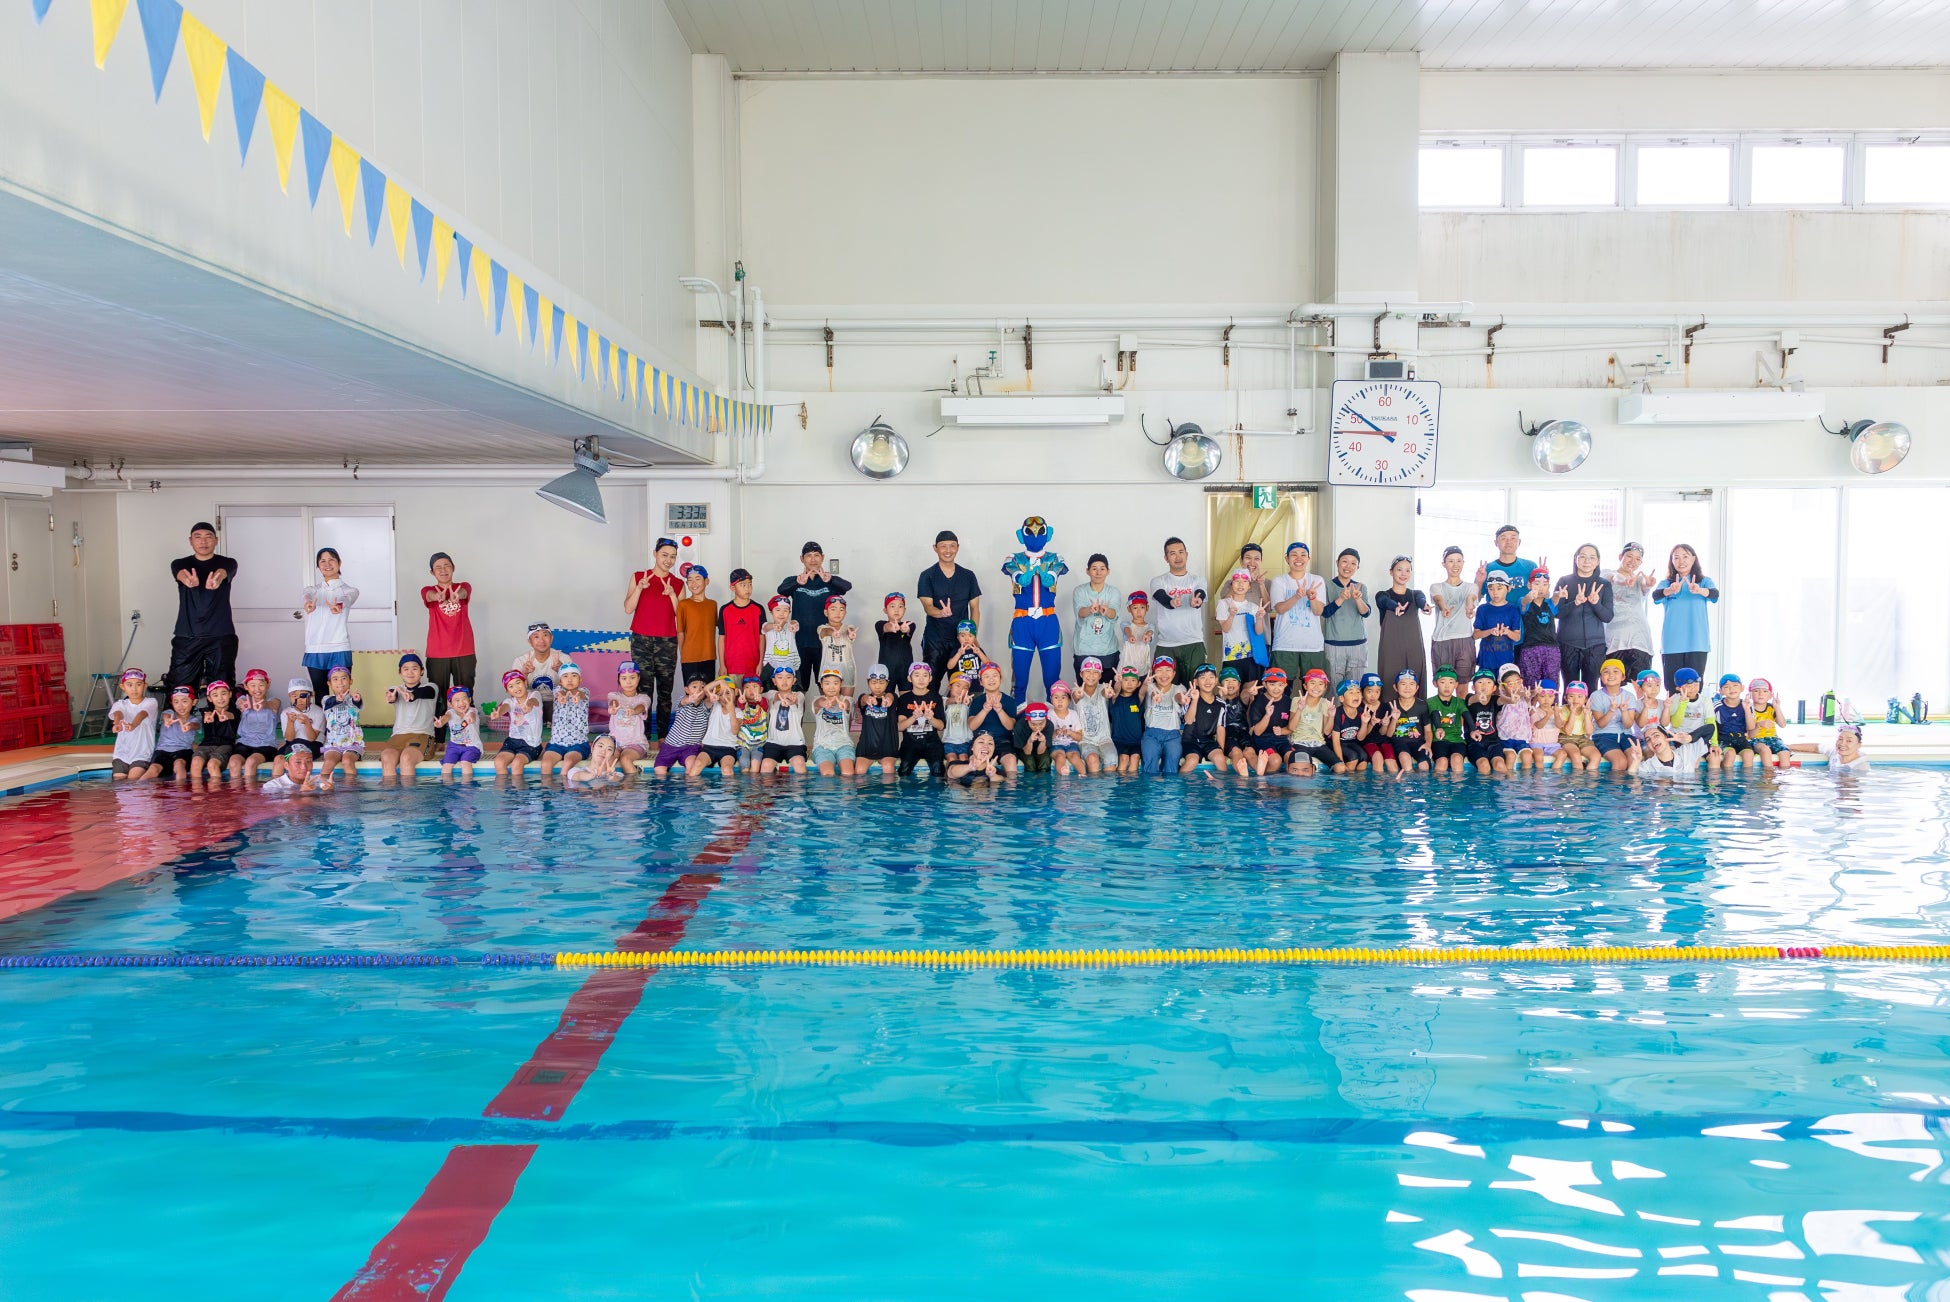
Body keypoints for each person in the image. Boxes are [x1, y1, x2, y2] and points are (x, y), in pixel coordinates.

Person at [166, 522, 239, 693]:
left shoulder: (228, 562)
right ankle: (180, 720)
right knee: (180, 687)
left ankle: (221, 720)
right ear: (190, 541)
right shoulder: (180, 563)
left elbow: (223, 572)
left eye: (208, 537)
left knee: (222, 687)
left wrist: (217, 579)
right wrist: (188, 580)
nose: (203, 541)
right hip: (187, 635)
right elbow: (181, 574)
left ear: (216, 540)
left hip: (221, 635)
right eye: (198, 537)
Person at [1001, 515, 1068, 698]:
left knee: (1053, 680)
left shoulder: (1055, 558)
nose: (1036, 534)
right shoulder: (1013, 558)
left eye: (1041, 531)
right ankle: (1017, 721)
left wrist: (1042, 571)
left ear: (1049, 533)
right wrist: (1031, 571)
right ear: (1021, 536)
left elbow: (1051, 578)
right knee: (1019, 680)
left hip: (1048, 622)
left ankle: (1055, 720)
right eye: (1030, 531)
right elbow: (1018, 577)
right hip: (1023, 622)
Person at [625, 538, 683, 738]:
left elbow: (681, 616)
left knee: (665, 691)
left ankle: (663, 737)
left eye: (673, 557)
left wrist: (672, 595)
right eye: (664, 555)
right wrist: (640, 588)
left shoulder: (678, 583)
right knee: (644, 690)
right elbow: (628, 608)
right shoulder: (639, 577)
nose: (668, 560)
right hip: (641, 640)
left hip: (666, 641)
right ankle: (644, 736)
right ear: (655, 554)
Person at [778, 541, 852, 684]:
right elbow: (781, 591)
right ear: (802, 559)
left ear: (822, 558)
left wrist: (830, 579)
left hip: (825, 644)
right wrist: (798, 583)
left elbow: (846, 586)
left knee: (826, 686)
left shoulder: (828, 581)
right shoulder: (794, 581)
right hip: (800, 643)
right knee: (799, 687)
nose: (813, 559)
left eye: (816, 555)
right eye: (809, 556)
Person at [1653, 543, 1719, 690]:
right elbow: (1655, 596)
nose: (1681, 561)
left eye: (1685, 556)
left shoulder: (1704, 581)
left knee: (1695, 688)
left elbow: (1715, 595)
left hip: (1697, 642)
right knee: (1673, 688)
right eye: (1676, 557)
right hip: (1672, 644)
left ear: (1693, 559)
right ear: (1672, 561)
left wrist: (1700, 590)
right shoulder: (1667, 583)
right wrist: (1669, 591)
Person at [421, 553, 475, 726]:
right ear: (432, 572)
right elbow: (429, 595)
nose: (443, 570)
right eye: (438, 567)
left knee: (465, 694)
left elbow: (464, 592)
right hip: (438, 653)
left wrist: (456, 595)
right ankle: (437, 737)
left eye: (447, 566)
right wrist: (437, 597)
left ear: (453, 568)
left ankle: (468, 734)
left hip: (464, 650)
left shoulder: (463, 586)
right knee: (438, 696)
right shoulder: (427, 590)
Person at [918, 530, 981, 679]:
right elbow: (928, 607)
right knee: (931, 682)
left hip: (961, 640)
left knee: (963, 684)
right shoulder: (927, 575)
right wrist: (941, 613)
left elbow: (975, 608)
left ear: (957, 548)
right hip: (935, 639)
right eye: (943, 546)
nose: (948, 551)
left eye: (952, 546)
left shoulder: (968, 576)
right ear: (935, 548)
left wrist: (972, 636)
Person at [1553, 545, 1615, 688]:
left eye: (1592, 557)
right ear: (1576, 559)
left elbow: (1608, 617)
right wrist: (1575, 602)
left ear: (1598, 561)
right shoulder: (1564, 581)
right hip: (1567, 643)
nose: (1587, 561)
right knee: (1570, 688)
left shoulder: (1604, 584)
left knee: (1592, 688)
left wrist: (1596, 603)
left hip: (1595, 646)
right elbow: (1556, 612)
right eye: (1583, 556)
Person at [301, 547, 359, 699]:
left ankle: (346, 723)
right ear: (318, 566)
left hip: (339, 647)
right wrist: (308, 603)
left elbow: (348, 599)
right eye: (322, 561)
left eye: (331, 560)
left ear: (339, 563)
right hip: (315, 649)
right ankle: (324, 724)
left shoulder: (350, 590)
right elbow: (306, 595)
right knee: (321, 694)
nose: (327, 564)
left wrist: (339, 605)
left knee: (342, 693)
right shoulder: (313, 590)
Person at [1149, 538, 1208, 681]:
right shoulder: (1158, 581)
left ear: (1186, 554)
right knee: (1164, 691)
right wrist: (1171, 601)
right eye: (1172, 553)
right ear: (1166, 558)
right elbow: (1161, 596)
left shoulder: (1197, 579)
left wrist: (1197, 601)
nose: (1178, 557)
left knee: (1195, 689)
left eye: (1181, 552)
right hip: (1167, 645)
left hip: (1194, 643)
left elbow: (1200, 593)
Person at [1268, 542, 1328, 682]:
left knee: (1314, 689)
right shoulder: (1279, 580)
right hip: (1284, 644)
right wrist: (1297, 596)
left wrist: (1312, 597)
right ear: (1286, 558)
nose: (1298, 558)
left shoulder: (1317, 580)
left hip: (1313, 645)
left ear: (1308, 558)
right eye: (1294, 555)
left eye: (1303, 555)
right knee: (1279, 688)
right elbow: (1280, 608)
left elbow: (1318, 611)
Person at [1603, 543, 1658, 683]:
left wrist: (1649, 584)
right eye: (1629, 556)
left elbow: (1645, 587)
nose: (1633, 561)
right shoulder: (1607, 573)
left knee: (1640, 690)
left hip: (1640, 642)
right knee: (1614, 689)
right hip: (1614, 643)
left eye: (1638, 559)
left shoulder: (1641, 580)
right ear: (1620, 556)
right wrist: (1625, 580)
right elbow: (1615, 579)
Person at [1374, 556, 1430, 689]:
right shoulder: (1382, 595)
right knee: (1389, 680)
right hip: (1391, 650)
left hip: (1414, 649)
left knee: (1415, 682)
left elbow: (1421, 599)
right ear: (1391, 572)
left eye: (1407, 570)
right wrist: (1395, 607)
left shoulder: (1416, 594)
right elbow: (1383, 601)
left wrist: (1424, 606)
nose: (1403, 574)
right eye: (1399, 570)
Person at [381, 653, 438, 778]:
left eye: (415, 668)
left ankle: (408, 797)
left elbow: (423, 692)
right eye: (406, 669)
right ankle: (389, 796)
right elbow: (392, 695)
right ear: (400, 672)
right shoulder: (396, 689)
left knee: (407, 757)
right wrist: (391, 697)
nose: (410, 672)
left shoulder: (431, 687)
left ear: (422, 671)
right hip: (398, 736)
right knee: (387, 757)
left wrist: (411, 695)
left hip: (422, 735)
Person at [1321, 549, 1371, 686]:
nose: (1348, 566)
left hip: (1358, 645)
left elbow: (1366, 613)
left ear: (1357, 567)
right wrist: (1342, 598)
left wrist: (1357, 599)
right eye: (1344, 561)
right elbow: (1324, 612)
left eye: (1353, 563)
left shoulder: (1361, 587)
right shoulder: (1327, 586)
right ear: (1337, 563)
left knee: (1355, 689)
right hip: (1334, 645)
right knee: (1333, 689)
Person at [1070, 555, 1123, 684]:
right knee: (1084, 692)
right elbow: (1079, 612)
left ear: (1108, 571)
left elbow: (1114, 614)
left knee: (1108, 692)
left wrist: (1106, 611)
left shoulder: (1113, 592)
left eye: (1102, 569)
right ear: (1087, 571)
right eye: (1094, 568)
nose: (1098, 572)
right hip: (1084, 649)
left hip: (1108, 650)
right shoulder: (1080, 591)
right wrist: (1090, 609)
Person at [1428, 547, 1477, 683]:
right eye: (1450, 561)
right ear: (1444, 564)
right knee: (1444, 687)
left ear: (1463, 563)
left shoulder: (1470, 586)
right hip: (1442, 641)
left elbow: (1471, 597)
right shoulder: (1436, 586)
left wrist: (1469, 605)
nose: (1455, 565)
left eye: (1459, 561)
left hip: (1465, 640)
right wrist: (1444, 608)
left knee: (1462, 687)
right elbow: (1438, 598)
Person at [1214, 569, 1267, 682]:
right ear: (1231, 584)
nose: (1240, 584)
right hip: (1231, 656)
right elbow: (1225, 629)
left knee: (1250, 692)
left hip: (1251, 657)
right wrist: (1232, 615)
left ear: (1249, 586)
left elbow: (1258, 632)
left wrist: (1259, 618)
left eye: (1244, 581)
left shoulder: (1253, 607)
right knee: (1230, 691)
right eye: (1237, 581)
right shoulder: (1223, 604)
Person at [108, 668, 161, 780]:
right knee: (119, 783)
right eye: (129, 685)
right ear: (123, 687)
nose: (134, 689)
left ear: (145, 685)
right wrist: (117, 723)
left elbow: (142, 714)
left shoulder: (151, 702)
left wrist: (133, 725)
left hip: (142, 754)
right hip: (121, 754)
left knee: (133, 780)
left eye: (138, 684)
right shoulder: (120, 704)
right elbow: (118, 713)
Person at [895, 662, 946, 778]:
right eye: (916, 675)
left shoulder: (936, 697)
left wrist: (930, 718)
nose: (921, 679)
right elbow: (900, 727)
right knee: (904, 769)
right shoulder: (904, 699)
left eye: (925, 675)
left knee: (938, 768)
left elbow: (941, 726)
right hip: (910, 743)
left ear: (930, 678)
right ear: (909, 678)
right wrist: (914, 717)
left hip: (932, 742)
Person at [654, 680, 714, 777]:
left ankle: (689, 789)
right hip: (671, 745)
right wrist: (691, 698)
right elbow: (685, 700)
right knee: (659, 770)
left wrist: (710, 690)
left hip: (691, 747)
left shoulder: (706, 705)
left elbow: (717, 687)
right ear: (687, 689)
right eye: (694, 687)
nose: (699, 689)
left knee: (692, 767)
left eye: (702, 687)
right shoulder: (683, 700)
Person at [969, 663, 1020, 775]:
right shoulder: (977, 702)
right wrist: (985, 710)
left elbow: (1010, 726)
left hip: (1003, 741)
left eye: (994, 675)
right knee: (974, 762)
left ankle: (1010, 791)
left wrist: (999, 710)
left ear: (1000, 679)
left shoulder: (1009, 701)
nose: (991, 679)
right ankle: (978, 789)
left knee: (1011, 760)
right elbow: (972, 726)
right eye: (986, 676)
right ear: (981, 682)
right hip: (981, 741)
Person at [1139, 656, 1187, 775]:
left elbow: (1178, 696)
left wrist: (1182, 699)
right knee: (1150, 766)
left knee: (1172, 764)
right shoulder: (1150, 687)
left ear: (1174, 673)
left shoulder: (1179, 688)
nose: (1164, 674)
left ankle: (1169, 792)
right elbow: (1150, 693)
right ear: (1153, 672)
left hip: (1173, 735)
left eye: (1168, 670)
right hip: (1151, 734)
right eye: (1159, 670)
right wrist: (1153, 694)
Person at [541, 661, 591, 777]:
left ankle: (564, 790)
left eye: (574, 676)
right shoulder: (557, 691)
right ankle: (546, 793)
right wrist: (561, 696)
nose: (569, 679)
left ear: (580, 680)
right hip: (557, 743)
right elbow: (559, 693)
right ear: (560, 681)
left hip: (578, 744)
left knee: (568, 762)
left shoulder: (584, 692)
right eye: (565, 676)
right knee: (546, 764)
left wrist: (577, 696)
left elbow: (581, 694)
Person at [229, 669, 280, 780]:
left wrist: (261, 704)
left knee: (251, 762)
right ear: (246, 686)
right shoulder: (243, 699)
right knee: (233, 762)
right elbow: (240, 704)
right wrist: (246, 704)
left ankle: (251, 795)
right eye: (252, 685)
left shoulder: (274, 701)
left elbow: (272, 705)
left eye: (261, 685)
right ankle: (235, 794)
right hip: (244, 743)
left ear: (268, 684)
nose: (257, 689)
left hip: (266, 744)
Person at [509, 624, 567, 720]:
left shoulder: (563, 659)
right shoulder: (520, 661)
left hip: (556, 702)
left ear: (551, 638)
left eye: (545, 635)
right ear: (530, 641)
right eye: (536, 636)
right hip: (530, 702)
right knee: (513, 706)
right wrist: (523, 674)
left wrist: (564, 672)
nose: (541, 640)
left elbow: (574, 688)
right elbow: (513, 692)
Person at [717, 569, 765, 685]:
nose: (747, 588)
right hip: (731, 667)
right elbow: (722, 639)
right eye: (743, 585)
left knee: (751, 701)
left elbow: (762, 637)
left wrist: (760, 662)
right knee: (732, 700)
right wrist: (722, 665)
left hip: (753, 667)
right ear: (733, 588)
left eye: (750, 584)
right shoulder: (725, 610)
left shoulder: (758, 609)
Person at [492, 670, 544, 777]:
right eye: (511, 686)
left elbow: (534, 701)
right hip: (512, 741)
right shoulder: (510, 701)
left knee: (517, 763)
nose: (516, 688)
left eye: (518, 683)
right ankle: (505, 792)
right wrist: (499, 713)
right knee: (499, 762)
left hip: (531, 744)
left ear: (525, 683)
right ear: (507, 690)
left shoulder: (535, 695)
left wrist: (528, 705)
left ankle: (519, 792)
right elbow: (505, 707)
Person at [1588, 659, 1637, 772]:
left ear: (1623, 677)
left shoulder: (1629, 696)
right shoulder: (1596, 696)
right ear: (1601, 677)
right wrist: (1611, 710)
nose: (1611, 675)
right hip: (1603, 735)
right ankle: (1613, 790)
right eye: (1606, 672)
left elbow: (1628, 725)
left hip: (1626, 735)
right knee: (1620, 762)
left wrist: (1624, 711)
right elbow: (1600, 724)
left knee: (1634, 759)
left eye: (1616, 671)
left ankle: (1630, 789)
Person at [318, 664, 364, 784]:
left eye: (344, 678)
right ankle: (323, 789)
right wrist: (338, 699)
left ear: (350, 681)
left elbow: (358, 703)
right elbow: (330, 703)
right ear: (329, 683)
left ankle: (351, 792)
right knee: (328, 762)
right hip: (333, 744)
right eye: (335, 679)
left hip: (353, 743)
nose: (340, 682)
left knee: (347, 761)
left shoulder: (354, 698)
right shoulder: (326, 700)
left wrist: (356, 699)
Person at [809, 669, 859, 776]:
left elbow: (847, 704)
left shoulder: (848, 700)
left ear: (841, 684)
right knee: (827, 774)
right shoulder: (817, 700)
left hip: (844, 745)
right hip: (822, 746)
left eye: (835, 683)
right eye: (827, 683)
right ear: (821, 685)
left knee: (848, 773)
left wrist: (842, 704)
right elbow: (819, 703)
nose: (831, 687)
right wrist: (826, 703)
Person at [1473, 572, 1522, 679]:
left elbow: (1517, 637)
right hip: (1486, 660)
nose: (1495, 592)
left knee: (1502, 692)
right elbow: (1475, 635)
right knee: (1486, 692)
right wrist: (1490, 631)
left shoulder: (1513, 610)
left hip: (1506, 661)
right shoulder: (1482, 609)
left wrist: (1507, 632)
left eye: (1499, 588)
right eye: (1491, 589)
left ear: (1508, 588)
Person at [1073, 658, 1118, 775]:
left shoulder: (1103, 688)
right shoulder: (1076, 690)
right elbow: (1075, 696)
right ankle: (1095, 791)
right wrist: (1078, 694)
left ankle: (1106, 792)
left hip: (1104, 739)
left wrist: (1108, 693)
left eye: (1095, 672)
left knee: (1112, 758)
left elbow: (1106, 693)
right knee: (1092, 759)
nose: (1091, 675)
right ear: (1081, 674)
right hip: (1085, 740)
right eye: (1088, 671)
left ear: (1100, 676)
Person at [676, 565, 720, 684]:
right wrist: (683, 654)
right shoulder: (683, 605)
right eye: (690, 580)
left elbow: (717, 630)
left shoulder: (713, 605)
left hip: (709, 656)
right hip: (689, 657)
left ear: (707, 581)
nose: (693, 583)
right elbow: (680, 632)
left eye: (697, 578)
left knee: (708, 694)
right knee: (692, 694)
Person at [1517, 570, 1561, 687]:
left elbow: (1555, 598)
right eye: (1537, 584)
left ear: (1549, 587)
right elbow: (1524, 602)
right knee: (1530, 684)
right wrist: (1529, 596)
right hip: (1530, 648)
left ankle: (1552, 705)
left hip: (1551, 648)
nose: (1541, 588)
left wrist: (1558, 594)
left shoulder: (1549, 603)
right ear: (1529, 585)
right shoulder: (1524, 602)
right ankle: (1529, 705)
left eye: (1544, 584)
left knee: (1552, 682)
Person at [1247, 667, 1294, 776]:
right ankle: (1267, 787)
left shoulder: (1288, 702)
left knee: (1293, 758)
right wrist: (1267, 715)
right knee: (1275, 760)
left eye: (1280, 685)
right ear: (1265, 684)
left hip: (1282, 740)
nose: (1276, 688)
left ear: (1285, 685)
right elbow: (1257, 732)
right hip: (1262, 740)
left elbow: (1291, 728)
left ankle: (1289, 789)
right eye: (1272, 684)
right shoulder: (1258, 702)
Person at [1179, 664, 1225, 772]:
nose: (1207, 681)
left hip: (1208, 741)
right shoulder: (1189, 699)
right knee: (1192, 760)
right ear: (1196, 682)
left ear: (1216, 680)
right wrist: (1194, 700)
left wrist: (1220, 750)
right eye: (1203, 677)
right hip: (1190, 740)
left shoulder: (1221, 704)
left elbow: (1220, 728)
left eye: (1211, 677)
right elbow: (1188, 720)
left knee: (1220, 758)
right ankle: (1179, 786)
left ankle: (1223, 787)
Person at [761, 668, 808, 775]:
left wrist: (791, 698)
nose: (784, 681)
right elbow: (775, 696)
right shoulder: (770, 694)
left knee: (799, 763)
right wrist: (784, 696)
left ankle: (799, 792)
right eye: (780, 677)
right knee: (766, 765)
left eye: (788, 677)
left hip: (795, 743)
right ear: (774, 681)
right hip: (773, 742)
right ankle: (769, 791)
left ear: (794, 680)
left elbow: (797, 700)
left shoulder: (799, 695)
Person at [1291, 668, 1338, 774]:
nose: (1316, 687)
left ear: (1325, 687)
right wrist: (1299, 708)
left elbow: (1326, 732)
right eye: (1312, 683)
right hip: (1299, 742)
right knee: (1306, 770)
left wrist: (1331, 716)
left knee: (1340, 768)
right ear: (1305, 686)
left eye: (1321, 684)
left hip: (1319, 744)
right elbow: (1291, 728)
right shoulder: (1296, 700)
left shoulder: (1326, 703)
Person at [607, 662, 651, 774]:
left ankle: (631, 790)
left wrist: (634, 711)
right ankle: (608, 789)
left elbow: (641, 707)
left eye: (632, 677)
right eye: (624, 678)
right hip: (615, 743)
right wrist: (614, 706)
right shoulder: (613, 695)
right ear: (619, 680)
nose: (628, 681)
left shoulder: (644, 698)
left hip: (636, 743)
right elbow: (613, 701)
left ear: (638, 678)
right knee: (608, 760)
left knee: (625, 759)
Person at [856, 666, 900, 780]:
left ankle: (888, 797)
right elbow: (863, 699)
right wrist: (868, 699)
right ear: (868, 682)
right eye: (874, 682)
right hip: (867, 746)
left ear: (887, 683)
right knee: (859, 771)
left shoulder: (892, 698)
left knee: (888, 767)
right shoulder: (864, 698)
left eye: (881, 682)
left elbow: (891, 697)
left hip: (888, 747)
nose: (877, 686)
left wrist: (888, 700)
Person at [275, 678, 324, 778]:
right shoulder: (286, 713)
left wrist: (307, 723)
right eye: (294, 696)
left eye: (303, 696)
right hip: (292, 743)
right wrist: (290, 722)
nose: (299, 700)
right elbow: (289, 738)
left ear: (311, 695)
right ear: (289, 696)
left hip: (312, 744)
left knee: (297, 758)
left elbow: (312, 738)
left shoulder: (318, 712)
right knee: (279, 759)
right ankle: (277, 788)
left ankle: (300, 784)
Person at [1387, 669, 1432, 774]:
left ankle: (1421, 789)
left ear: (1417, 688)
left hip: (1417, 742)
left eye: (1412, 684)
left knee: (1424, 766)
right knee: (1405, 759)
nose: (1407, 687)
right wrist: (1394, 719)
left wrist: (1428, 744)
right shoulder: (1391, 706)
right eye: (1403, 684)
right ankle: (1407, 786)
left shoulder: (1422, 706)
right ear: (1395, 687)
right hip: (1399, 741)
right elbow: (1389, 734)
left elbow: (1428, 731)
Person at [193, 679, 238, 780]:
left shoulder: (235, 711)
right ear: (209, 698)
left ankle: (216, 794)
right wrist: (207, 716)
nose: (220, 698)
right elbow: (198, 721)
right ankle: (197, 793)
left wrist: (225, 715)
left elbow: (231, 715)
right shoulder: (206, 712)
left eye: (223, 693)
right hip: (206, 745)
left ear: (230, 694)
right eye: (215, 695)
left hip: (225, 745)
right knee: (196, 762)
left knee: (212, 764)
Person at [1475, 525, 1540, 595]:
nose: (1508, 542)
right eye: (1503, 538)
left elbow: (1545, 597)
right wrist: (1479, 582)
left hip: (1524, 606)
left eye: (1513, 538)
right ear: (1496, 543)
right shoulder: (1486, 569)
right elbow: (1474, 602)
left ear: (1519, 542)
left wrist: (1544, 577)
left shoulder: (1531, 566)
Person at [1426, 666, 1467, 774]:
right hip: (1438, 741)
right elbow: (1434, 712)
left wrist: (1472, 730)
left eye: (1451, 682)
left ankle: (1457, 790)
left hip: (1457, 740)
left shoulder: (1459, 702)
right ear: (1435, 683)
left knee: (1457, 760)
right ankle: (1438, 789)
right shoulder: (1430, 701)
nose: (1447, 686)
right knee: (1442, 762)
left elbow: (1466, 714)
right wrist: (1439, 727)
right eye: (1442, 682)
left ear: (1456, 684)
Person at [435, 686, 483, 779]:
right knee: (446, 766)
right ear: (450, 703)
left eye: (464, 699)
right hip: (454, 746)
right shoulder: (450, 712)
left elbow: (472, 715)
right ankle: (447, 788)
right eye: (457, 700)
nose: (461, 703)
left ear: (469, 699)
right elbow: (446, 717)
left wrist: (470, 718)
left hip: (472, 746)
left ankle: (467, 788)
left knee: (465, 763)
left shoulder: (472, 711)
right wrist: (440, 723)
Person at [1463, 670, 1505, 775]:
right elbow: (1472, 699)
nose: (1484, 685)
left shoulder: (1495, 700)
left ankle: (1506, 789)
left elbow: (1504, 700)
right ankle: (1485, 791)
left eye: (1488, 682)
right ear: (1473, 688)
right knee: (1483, 764)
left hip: (1493, 742)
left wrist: (1512, 699)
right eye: (1480, 682)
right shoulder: (1470, 698)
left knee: (1499, 764)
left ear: (1494, 688)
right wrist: (1479, 697)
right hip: (1475, 743)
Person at [1784, 722, 1870, 773]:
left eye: (1849, 741)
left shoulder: (1861, 767)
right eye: (1840, 739)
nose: (1842, 744)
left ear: (1859, 745)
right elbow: (1815, 747)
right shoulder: (1835, 752)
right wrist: (1787, 746)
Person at [1713, 673, 1757, 770]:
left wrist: (1746, 709)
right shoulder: (1717, 706)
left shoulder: (1747, 705)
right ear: (1721, 691)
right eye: (1726, 687)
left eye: (1735, 685)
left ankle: (1747, 782)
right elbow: (1711, 726)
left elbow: (1751, 728)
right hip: (1723, 739)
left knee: (1749, 754)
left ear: (1742, 688)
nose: (1731, 689)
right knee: (1730, 754)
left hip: (1741, 738)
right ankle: (1727, 783)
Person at [153, 684, 198, 779]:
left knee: (179, 764)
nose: (180, 705)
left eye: (184, 701)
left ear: (194, 702)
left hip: (184, 751)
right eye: (176, 702)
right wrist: (167, 720)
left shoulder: (194, 719)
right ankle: (137, 790)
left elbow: (196, 725)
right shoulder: (170, 713)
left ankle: (180, 790)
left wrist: (189, 726)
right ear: (172, 703)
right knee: (153, 769)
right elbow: (165, 716)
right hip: (162, 751)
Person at [699, 678, 742, 774]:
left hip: (728, 747)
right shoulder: (714, 704)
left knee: (727, 769)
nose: (724, 697)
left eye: (727, 692)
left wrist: (731, 710)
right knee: (697, 764)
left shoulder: (739, 712)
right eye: (720, 694)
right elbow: (706, 690)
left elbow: (735, 731)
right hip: (709, 746)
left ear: (735, 692)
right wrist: (720, 682)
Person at [817, 595, 858, 692]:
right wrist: (833, 632)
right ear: (826, 612)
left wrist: (851, 634)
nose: (837, 613)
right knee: (829, 704)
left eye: (841, 609)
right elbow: (824, 632)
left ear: (845, 613)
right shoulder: (822, 628)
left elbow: (850, 632)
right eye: (833, 609)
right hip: (828, 671)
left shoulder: (849, 627)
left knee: (847, 702)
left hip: (847, 670)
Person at [1110, 666, 1146, 774]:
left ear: (1138, 684)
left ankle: (1132, 788)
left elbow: (1143, 692)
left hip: (1136, 741)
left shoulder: (1137, 699)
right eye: (1125, 680)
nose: (1129, 684)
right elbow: (1116, 690)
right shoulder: (1114, 699)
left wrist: (1146, 684)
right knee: (1124, 759)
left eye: (1133, 680)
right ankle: (1122, 787)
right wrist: (1118, 682)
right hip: (1119, 741)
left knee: (1135, 758)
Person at [876, 593, 917, 685]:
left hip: (905, 668)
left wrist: (905, 629)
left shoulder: (909, 624)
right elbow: (886, 627)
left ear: (905, 610)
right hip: (886, 670)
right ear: (885, 610)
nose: (896, 609)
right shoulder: (880, 624)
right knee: (887, 697)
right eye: (892, 606)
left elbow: (909, 629)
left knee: (907, 698)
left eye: (900, 606)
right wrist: (892, 627)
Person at [760, 596, 800, 688]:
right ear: (771, 612)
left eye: (785, 610)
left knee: (794, 694)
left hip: (791, 666)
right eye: (778, 610)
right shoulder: (767, 625)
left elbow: (795, 623)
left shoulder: (791, 625)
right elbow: (765, 628)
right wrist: (774, 626)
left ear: (789, 612)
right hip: (771, 666)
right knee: (768, 693)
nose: (782, 613)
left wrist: (793, 624)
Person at [262, 744, 331, 794]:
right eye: (298, 762)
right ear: (286, 765)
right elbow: (277, 809)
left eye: (308, 761)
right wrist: (301, 793)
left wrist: (330, 792)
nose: (304, 767)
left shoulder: (321, 782)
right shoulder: (272, 786)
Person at [1748, 678, 1787, 767]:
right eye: (1756, 691)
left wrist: (1777, 707)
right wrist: (1759, 725)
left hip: (1773, 739)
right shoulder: (1748, 709)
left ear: (1770, 695)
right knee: (1765, 750)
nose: (1761, 694)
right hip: (1755, 740)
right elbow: (1750, 735)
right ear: (1750, 695)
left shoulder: (1771, 708)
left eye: (1765, 691)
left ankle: (1783, 778)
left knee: (1785, 753)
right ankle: (1769, 775)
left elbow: (1783, 724)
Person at [1119, 593, 1156, 677]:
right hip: (1126, 668)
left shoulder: (1150, 626)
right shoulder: (1125, 624)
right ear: (1129, 609)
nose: (1139, 611)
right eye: (1135, 608)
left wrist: (1148, 635)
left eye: (1142, 607)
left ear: (1147, 608)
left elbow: (1150, 631)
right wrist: (1129, 635)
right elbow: (1126, 629)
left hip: (1144, 669)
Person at [1016, 702, 1053, 774]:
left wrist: (1043, 742)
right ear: (1027, 720)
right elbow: (1027, 752)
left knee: (1045, 761)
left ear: (1046, 719)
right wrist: (1030, 741)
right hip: (1024, 749)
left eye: (1041, 723)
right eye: (1033, 724)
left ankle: (1042, 783)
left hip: (1040, 749)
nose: (1037, 727)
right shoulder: (1020, 726)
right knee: (1030, 763)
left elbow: (1040, 752)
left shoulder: (1049, 725)